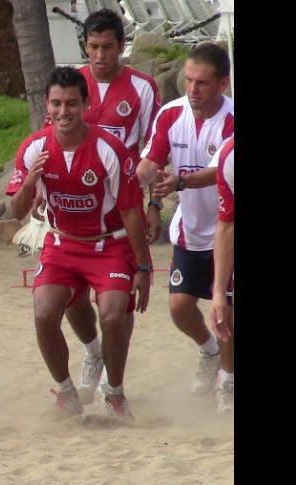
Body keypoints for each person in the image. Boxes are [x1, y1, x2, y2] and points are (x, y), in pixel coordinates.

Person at [7, 66, 151, 420]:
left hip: (110, 245)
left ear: (85, 104)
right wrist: (30, 183)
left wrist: (144, 267)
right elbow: (15, 210)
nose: (63, 112)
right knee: (43, 312)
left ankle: (114, 393)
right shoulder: (33, 149)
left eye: (71, 103)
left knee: (114, 313)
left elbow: (132, 212)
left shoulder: (109, 149)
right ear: (47, 105)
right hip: (63, 244)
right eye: (56, 103)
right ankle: (68, 394)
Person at [37, 8, 162, 403]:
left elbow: (156, 148)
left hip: (122, 212)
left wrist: (153, 201)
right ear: (84, 46)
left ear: (121, 47)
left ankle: (115, 383)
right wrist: (40, 185)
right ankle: (92, 352)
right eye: (93, 46)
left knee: (117, 308)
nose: (100, 54)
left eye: (108, 46)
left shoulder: (142, 89)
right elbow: (50, 135)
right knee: (71, 298)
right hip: (73, 214)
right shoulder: (72, 87)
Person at [136, 42, 234, 408]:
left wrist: (180, 181)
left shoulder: (231, 120)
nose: (192, 89)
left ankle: (228, 382)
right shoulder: (169, 114)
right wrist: (140, 178)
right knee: (179, 308)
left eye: (202, 83)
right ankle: (209, 354)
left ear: (223, 83)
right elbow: (152, 160)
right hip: (189, 230)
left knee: (226, 312)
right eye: (188, 80)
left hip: (229, 229)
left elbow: (221, 171)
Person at [209, 135, 234, 412]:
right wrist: (218, 292)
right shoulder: (230, 156)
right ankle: (228, 381)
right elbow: (227, 226)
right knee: (227, 309)